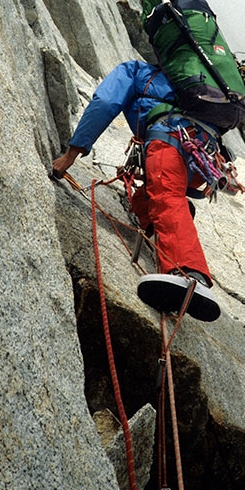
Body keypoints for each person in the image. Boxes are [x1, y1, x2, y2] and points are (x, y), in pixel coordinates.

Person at [52, 59, 220, 321]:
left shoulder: (136, 71)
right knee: (153, 194)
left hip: (171, 141)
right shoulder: (200, 84)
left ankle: (190, 274)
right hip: (203, 159)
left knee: (166, 197)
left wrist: (70, 156)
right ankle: (166, 223)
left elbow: (105, 104)